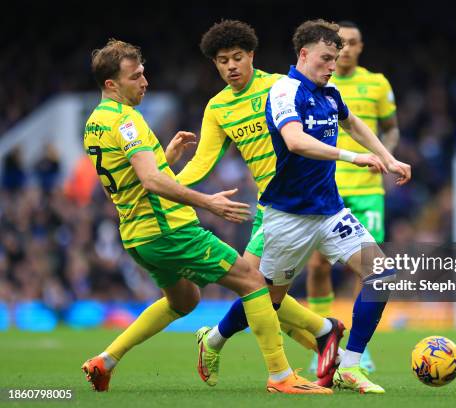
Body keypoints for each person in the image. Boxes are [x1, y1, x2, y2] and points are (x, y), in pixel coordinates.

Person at [80, 39, 330, 395]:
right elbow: (151, 181)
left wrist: (163, 156)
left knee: (184, 301)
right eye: (135, 77)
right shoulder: (127, 122)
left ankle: (105, 360)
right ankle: (282, 375)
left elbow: (124, 184)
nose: (145, 81)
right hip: (170, 230)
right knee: (253, 281)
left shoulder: (94, 124)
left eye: (143, 73)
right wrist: (207, 202)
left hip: (137, 235)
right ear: (111, 85)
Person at [171, 20, 345, 388]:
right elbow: (203, 162)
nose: (231, 66)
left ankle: (222, 340)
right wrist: (166, 185)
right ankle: (324, 338)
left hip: (300, 203)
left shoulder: (279, 87)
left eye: (238, 57)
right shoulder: (218, 108)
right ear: (214, 65)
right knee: (258, 291)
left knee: (257, 290)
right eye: (222, 61)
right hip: (273, 208)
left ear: (252, 56)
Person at [259, 19, 411, 393]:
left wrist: (387, 158)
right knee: (265, 302)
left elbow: (355, 123)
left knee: (382, 273)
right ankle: (215, 337)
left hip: (329, 211)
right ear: (304, 54)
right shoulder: (285, 91)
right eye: (326, 58)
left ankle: (352, 365)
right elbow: (294, 141)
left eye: (336, 58)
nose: (332, 66)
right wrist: (352, 158)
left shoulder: (330, 93)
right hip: (288, 216)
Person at [306, 20, 400, 373]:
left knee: (370, 271)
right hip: (330, 186)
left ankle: (361, 347)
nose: (345, 48)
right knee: (317, 266)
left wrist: (385, 157)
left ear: (360, 47)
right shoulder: (320, 85)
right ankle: (320, 340)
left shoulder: (376, 84)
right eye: (339, 43)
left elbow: (391, 129)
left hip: (367, 191)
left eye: (352, 42)